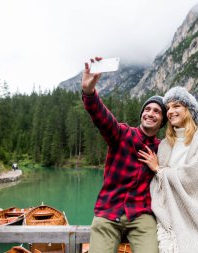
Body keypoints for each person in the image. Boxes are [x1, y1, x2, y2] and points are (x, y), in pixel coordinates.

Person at [81, 57, 167, 253]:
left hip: (141, 215)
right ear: (141, 114)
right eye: (147, 109)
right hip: (108, 211)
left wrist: (158, 167)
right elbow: (101, 116)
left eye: (157, 111)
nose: (150, 113)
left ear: (162, 121)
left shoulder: (163, 149)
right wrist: (89, 91)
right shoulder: (121, 134)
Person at [138, 86, 198, 253]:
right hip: (166, 217)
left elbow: (191, 178)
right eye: (168, 108)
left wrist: (159, 170)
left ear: (189, 110)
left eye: (176, 106)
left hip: (195, 218)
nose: (170, 111)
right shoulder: (164, 146)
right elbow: (157, 186)